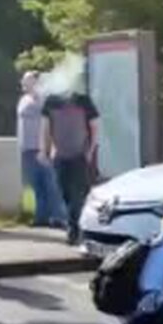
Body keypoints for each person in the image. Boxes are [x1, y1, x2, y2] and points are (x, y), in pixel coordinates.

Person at [41, 77, 99, 245]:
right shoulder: (51, 102)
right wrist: (44, 149)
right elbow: (45, 127)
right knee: (64, 192)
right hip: (59, 155)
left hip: (79, 155)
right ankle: (74, 226)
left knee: (77, 194)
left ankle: (74, 230)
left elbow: (95, 126)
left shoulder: (83, 101)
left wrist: (90, 150)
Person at [18, 72, 66, 228]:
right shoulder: (24, 99)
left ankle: (59, 217)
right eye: (24, 81)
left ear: (36, 82)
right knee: (36, 184)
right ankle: (41, 217)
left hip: (42, 147)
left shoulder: (46, 99)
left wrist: (48, 147)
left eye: (27, 81)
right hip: (27, 147)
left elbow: (51, 123)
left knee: (51, 184)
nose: (23, 83)